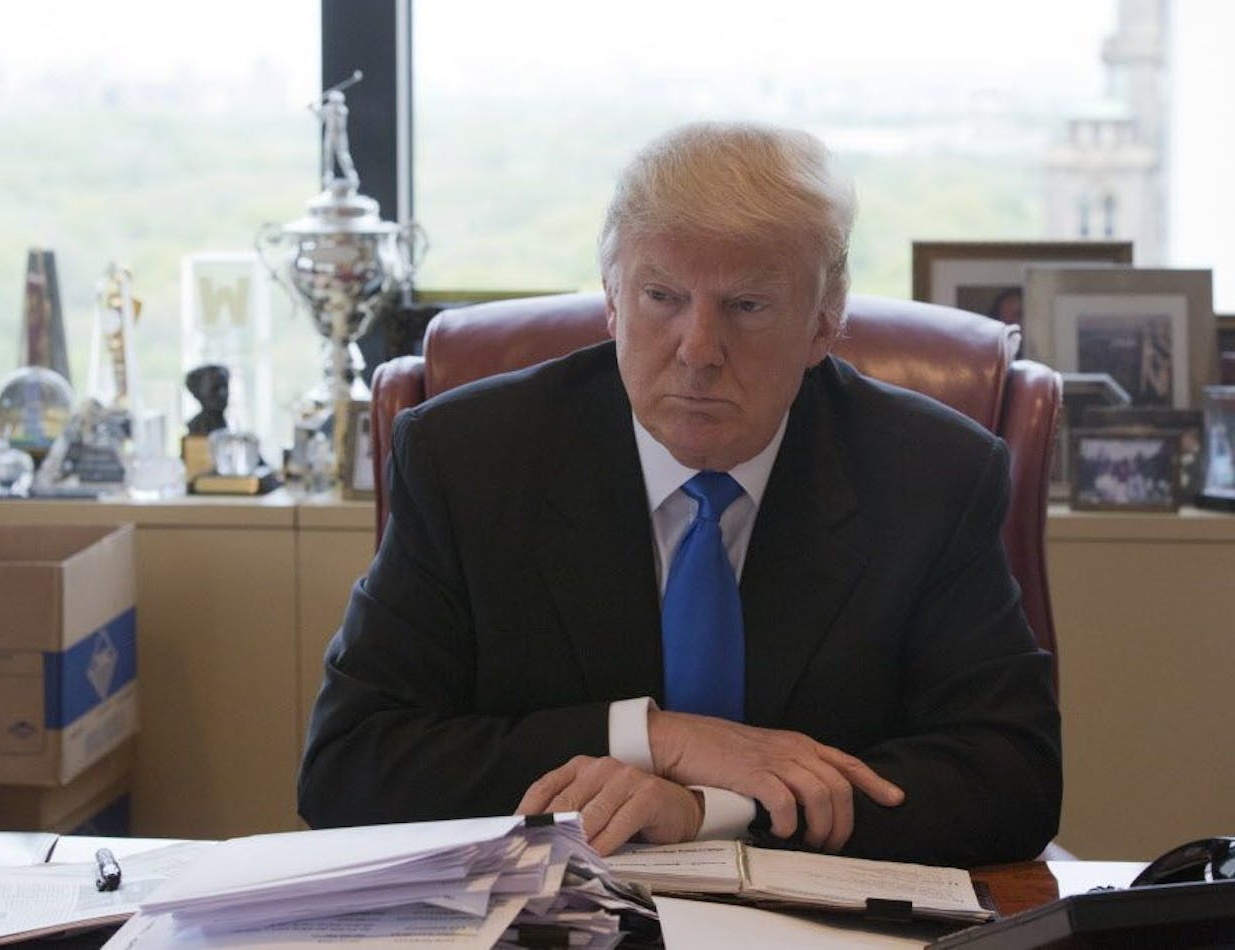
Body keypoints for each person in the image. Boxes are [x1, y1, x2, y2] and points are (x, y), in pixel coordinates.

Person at [298, 122, 1061, 869]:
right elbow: (349, 765)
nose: (698, 351)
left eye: (747, 306)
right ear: (611, 301)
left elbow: (1011, 776)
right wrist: (653, 737)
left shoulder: (928, 473)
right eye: (661, 297)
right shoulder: (471, 459)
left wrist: (715, 810)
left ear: (824, 323)